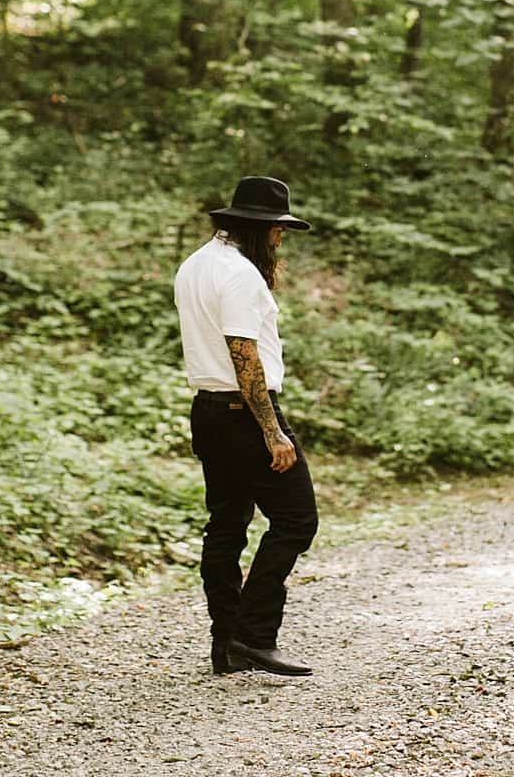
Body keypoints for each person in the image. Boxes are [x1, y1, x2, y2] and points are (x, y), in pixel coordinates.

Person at [174, 175, 319, 677]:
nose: (280, 240)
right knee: (298, 519)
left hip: (209, 412)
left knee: (227, 524)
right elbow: (244, 356)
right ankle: (253, 635)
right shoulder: (238, 275)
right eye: (277, 231)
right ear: (258, 229)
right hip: (244, 413)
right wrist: (272, 430)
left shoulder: (196, 264)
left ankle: (226, 642)